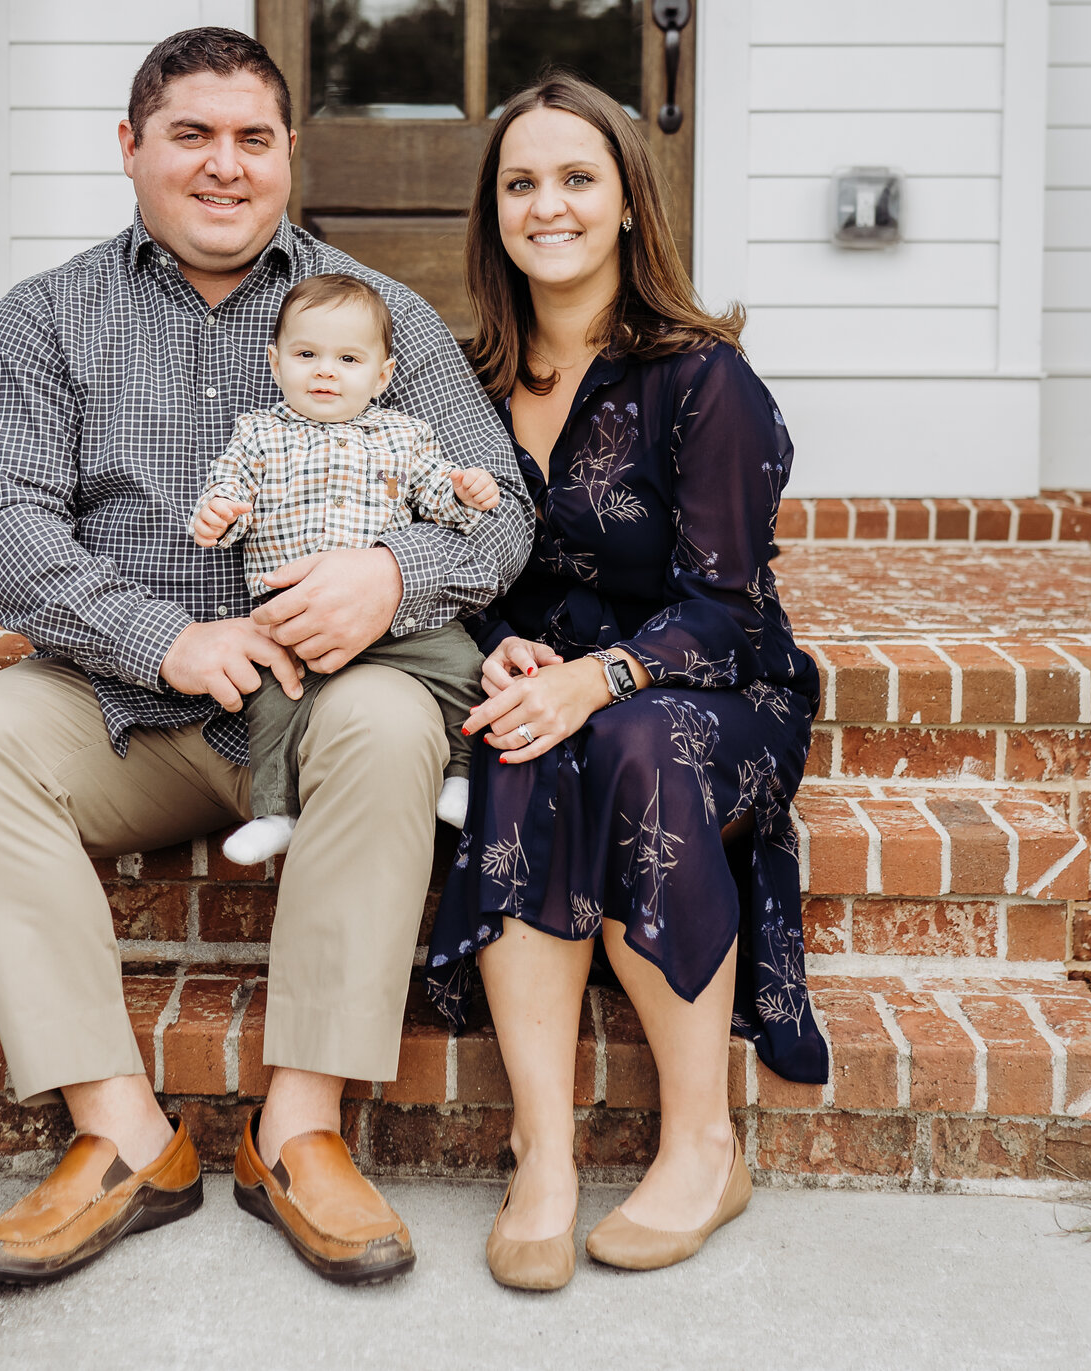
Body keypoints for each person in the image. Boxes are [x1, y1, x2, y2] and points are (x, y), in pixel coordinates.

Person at [0, 26, 532, 1288]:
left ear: (291, 154)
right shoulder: (44, 321)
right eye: (190, 134)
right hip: (123, 704)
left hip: (327, 701)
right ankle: (128, 1137)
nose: (223, 166)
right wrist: (169, 637)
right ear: (130, 148)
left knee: (395, 725)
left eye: (253, 138)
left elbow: (503, 507)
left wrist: (393, 576)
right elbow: (1, 529)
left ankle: (296, 1127)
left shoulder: (379, 313)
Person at [422, 73, 828, 1292]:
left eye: (576, 177)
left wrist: (603, 675)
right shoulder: (462, 383)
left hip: (713, 693)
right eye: (521, 182)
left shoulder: (704, 380)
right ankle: (542, 1153)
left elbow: (723, 604)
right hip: (555, 690)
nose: (547, 203)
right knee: (517, 731)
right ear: (494, 212)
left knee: (635, 740)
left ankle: (703, 1143)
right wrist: (492, 643)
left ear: (629, 204)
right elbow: (452, 560)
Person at [191, 271, 502, 865]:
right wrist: (219, 515)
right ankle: (277, 811)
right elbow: (230, 489)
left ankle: (461, 777)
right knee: (274, 702)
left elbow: (435, 494)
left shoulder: (404, 437)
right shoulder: (259, 435)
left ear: (381, 375)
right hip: (294, 622)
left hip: (395, 621)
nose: (325, 370)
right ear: (277, 363)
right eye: (307, 354)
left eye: (348, 358)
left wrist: (464, 491)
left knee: (466, 669)